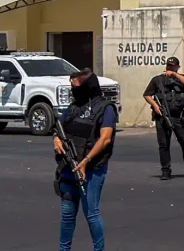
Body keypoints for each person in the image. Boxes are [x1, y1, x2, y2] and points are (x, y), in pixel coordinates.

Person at [53, 68, 117, 251]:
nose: (74, 91)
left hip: (91, 169)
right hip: (69, 167)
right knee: (67, 214)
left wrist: (86, 161)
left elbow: (105, 139)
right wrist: (56, 139)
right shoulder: (73, 107)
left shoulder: (106, 108)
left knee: (91, 214)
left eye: (77, 87)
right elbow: (59, 128)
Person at [142, 56, 184, 180]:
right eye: (168, 66)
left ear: (177, 67)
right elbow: (147, 94)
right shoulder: (157, 80)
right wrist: (155, 105)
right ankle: (165, 171)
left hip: (178, 117)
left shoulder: (181, 78)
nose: (170, 68)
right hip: (163, 117)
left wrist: (175, 75)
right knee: (164, 145)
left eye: (172, 66)